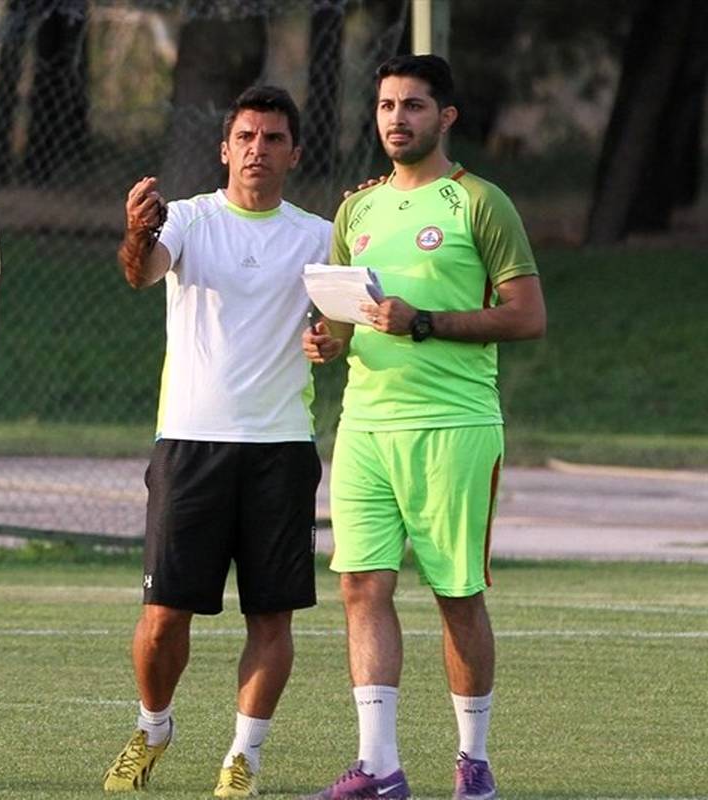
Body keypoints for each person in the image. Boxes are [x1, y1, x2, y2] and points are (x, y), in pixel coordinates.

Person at [299, 55, 546, 800]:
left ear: (446, 117)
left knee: (456, 595)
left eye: (412, 105)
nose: (397, 119)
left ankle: (473, 762)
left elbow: (527, 316)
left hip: (453, 427)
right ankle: (379, 767)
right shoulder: (357, 210)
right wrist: (328, 340)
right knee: (360, 587)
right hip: (365, 427)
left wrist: (425, 322)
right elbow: (349, 317)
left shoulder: (480, 202)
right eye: (385, 105)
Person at [103, 86, 332, 798]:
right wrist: (137, 230)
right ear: (224, 149)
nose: (258, 150)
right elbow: (139, 272)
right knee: (162, 618)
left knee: (271, 615)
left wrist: (330, 339)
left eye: (273, 139)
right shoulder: (189, 219)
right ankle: (153, 727)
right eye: (246, 137)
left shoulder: (320, 236)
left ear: (295, 153)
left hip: (281, 447)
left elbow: (343, 323)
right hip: (190, 445)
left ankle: (244, 757)